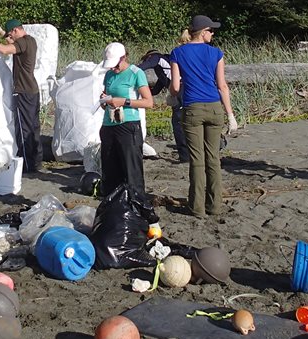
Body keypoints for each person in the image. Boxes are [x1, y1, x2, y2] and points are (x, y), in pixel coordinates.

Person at [170, 15, 238, 217]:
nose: (213, 34)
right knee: (213, 158)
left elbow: (175, 87)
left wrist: (172, 95)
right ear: (203, 32)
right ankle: (215, 205)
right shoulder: (216, 53)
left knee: (197, 160)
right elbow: (222, 86)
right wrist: (231, 115)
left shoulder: (178, 52)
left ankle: (197, 207)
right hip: (215, 107)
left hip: (193, 108)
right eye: (211, 30)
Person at [0, 19, 44, 172]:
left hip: (22, 92)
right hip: (33, 91)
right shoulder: (31, 40)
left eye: (10, 33)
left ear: (15, 31)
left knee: (23, 129)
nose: (9, 37)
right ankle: (37, 162)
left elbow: (4, 49)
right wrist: (1, 32)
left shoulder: (22, 42)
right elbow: (10, 41)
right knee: (34, 127)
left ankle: (27, 165)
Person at [98, 41, 154, 196]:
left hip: (128, 125)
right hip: (109, 124)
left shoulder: (136, 73)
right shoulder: (109, 74)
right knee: (110, 172)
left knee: (131, 172)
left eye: (115, 65)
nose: (113, 69)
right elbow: (106, 97)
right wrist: (105, 100)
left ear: (123, 58)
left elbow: (148, 102)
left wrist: (124, 102)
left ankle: (136, 204)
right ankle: (113, 206)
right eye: (110, 66)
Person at [137, 27, 191, 163]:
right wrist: (142, 90)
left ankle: (185, 156)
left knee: (178, 122)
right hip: (182, 89)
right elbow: (156, 90)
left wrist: (130, 70)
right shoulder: (162, 69)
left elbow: (145, 66)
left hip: (181, 89)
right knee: (185, 119)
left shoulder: (157, 57)